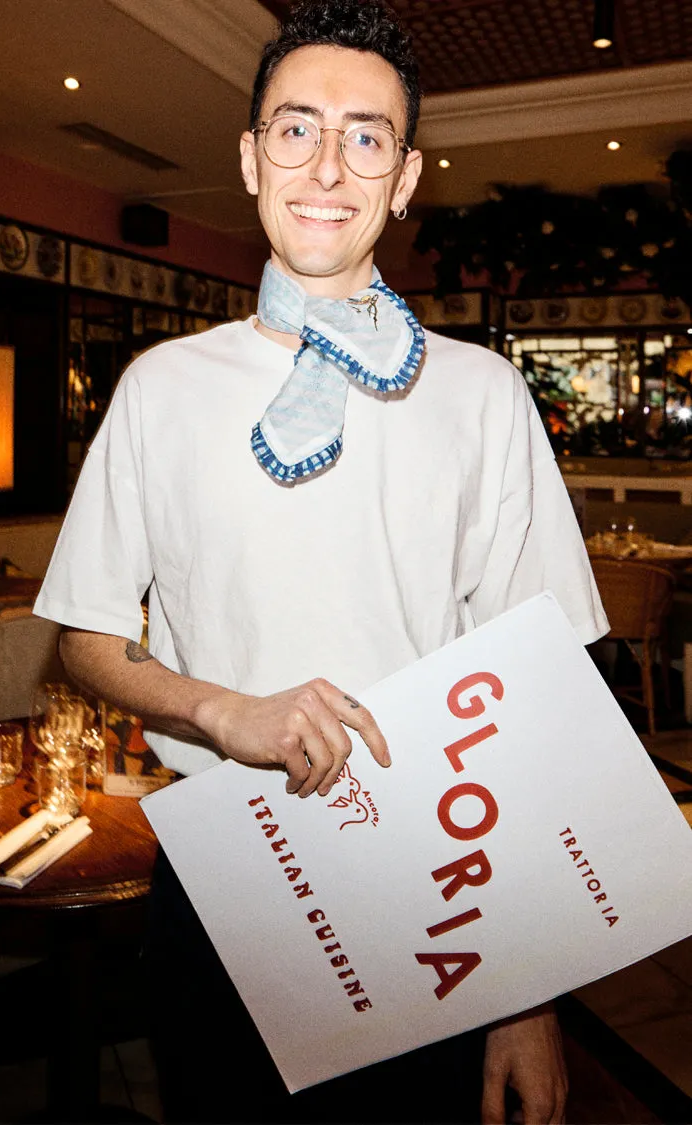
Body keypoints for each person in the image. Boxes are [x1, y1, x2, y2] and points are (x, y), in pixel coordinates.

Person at [34, 1, 608, 1120]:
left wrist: (528, 995)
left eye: (366, 136)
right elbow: (83, 642)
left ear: (404, 178)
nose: (327, 167)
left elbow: (543, 695)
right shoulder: (161, 388)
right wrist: (220, 713)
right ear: (251, 159)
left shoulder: (486, 394)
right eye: (296, 130)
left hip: (438, 884)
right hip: (224, 882)